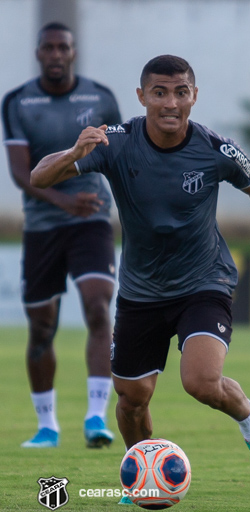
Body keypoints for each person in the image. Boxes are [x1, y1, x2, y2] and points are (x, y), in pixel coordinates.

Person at [30, 55, 250, 499]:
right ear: (142, 97)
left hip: (204, 281)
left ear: (194, 96)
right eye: (159, 92)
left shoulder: (216, 149)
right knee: (132, 397)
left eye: (181, 92)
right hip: (141, 291)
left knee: (200, 382)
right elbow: (38, 175)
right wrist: (74, 153)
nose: (170, 103)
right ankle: (144, 473)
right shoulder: (114, 142)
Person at [2, 22, 120, 449]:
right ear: (38, 54)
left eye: (63, 47)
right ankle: (47, 425)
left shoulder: (101, 98)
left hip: (92, 220)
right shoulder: (17, 101)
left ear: (73, 53)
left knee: (96, 306)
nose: (56, 54)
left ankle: (95, 419)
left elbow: (120, 158)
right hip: (43, 226)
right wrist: (64, 201)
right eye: (48, 47)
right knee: (42, 327)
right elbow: (20, 172)